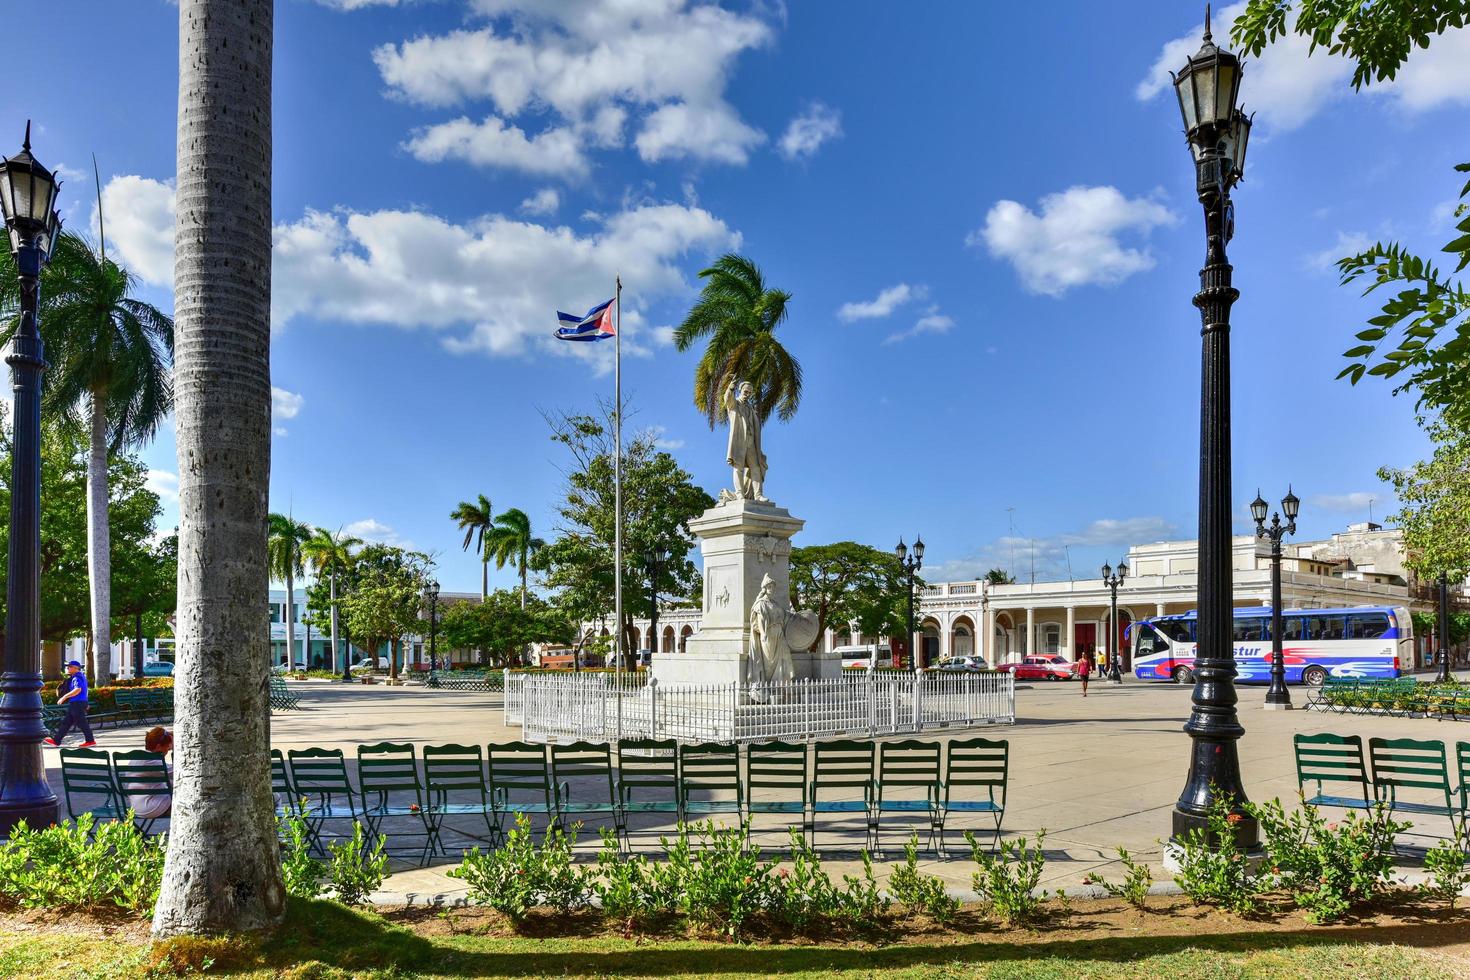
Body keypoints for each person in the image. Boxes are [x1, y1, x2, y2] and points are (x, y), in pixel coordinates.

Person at [44, 660, 97, 748]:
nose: (67, 668)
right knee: (67, 722)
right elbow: (85, 691)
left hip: (77, 703)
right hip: (78, 703)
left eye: (69, 667)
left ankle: (90, 741)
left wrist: (64, 697)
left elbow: (78, 689)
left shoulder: (76, 678)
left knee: (81, 723)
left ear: (76, 668)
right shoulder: (81, 676)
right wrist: (85, 702)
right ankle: (56, 740)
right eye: (67, 667)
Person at [124, 727, 174, 820]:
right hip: (153, 807)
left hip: (136, 807)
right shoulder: (151, 761)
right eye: (167, 747)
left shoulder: (137, 758)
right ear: (159, 747)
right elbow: (178, 772)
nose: (167, 751)